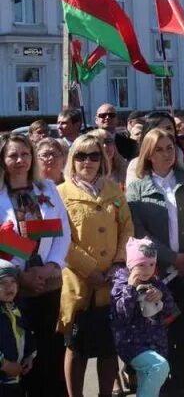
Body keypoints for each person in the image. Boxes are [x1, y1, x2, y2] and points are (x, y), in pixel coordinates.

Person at [125, 128, 184, 392]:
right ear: (148, 154)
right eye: (159, 149)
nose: (166, 153)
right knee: (161, 336)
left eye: (170, 148)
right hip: (157, 274)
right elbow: (139, 231)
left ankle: (182, 384)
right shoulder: (136, 189)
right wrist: (171, 258)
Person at [58, 132, 133, 397]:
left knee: (108, 347)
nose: (87, 161)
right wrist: (89, 269)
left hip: (111, 280)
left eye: (94, 155)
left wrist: (117, 263)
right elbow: (61, 238)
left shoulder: (113, 190)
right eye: (80, 156)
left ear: (102, 159)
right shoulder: (61, 193)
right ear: (72, 159)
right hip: (79, 281)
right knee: (76, 346)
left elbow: (127, 228)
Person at [0, 134, 70, 397]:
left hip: (48, 283)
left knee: (50, 354)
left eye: (25, 154)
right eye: (13, 155)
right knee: (20, 354)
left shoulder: (47, 188)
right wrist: (22, 275)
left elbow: (63, 232)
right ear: (3, 160)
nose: (20, 160)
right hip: (11, 288)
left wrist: (50, 266)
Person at [109, 237, 177, 397]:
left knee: (149, 380)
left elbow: (169, 310)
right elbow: (121, 314)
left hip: (156, 342)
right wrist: (130, 289)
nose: (147, 269)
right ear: (131, 264)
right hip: (132, 343)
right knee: (159, 367)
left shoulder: (156, 283)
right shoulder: (121, 283)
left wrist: (161, 296)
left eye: (151, 264)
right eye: (141, 265)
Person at [0, 259, 34, 395]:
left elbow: (25, 333)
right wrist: (5, 365)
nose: (10, 287)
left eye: (13, 282)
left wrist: (29, 356)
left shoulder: (16, 308)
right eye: (3, 283)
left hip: (15, 380)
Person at [95, 104, 134, 171]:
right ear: (96, 120)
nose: (107, 117)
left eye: (111, 115)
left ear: (117, 120)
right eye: (103, 115)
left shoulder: (130, 145)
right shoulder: (88, 141)